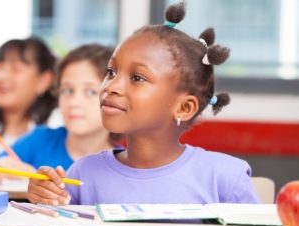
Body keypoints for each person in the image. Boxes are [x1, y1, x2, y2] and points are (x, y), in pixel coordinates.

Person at [25, 2, 260, 206]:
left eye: (137, 78)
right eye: (111, 72)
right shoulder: (82, 174)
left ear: (184, 108)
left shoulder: (226, 179)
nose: (110, 86)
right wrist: (45, 197)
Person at [0, 44, 119, 178]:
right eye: (67, 91)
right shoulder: (39, 140)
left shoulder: (124, 159)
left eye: (90, 92)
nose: (74, 102)